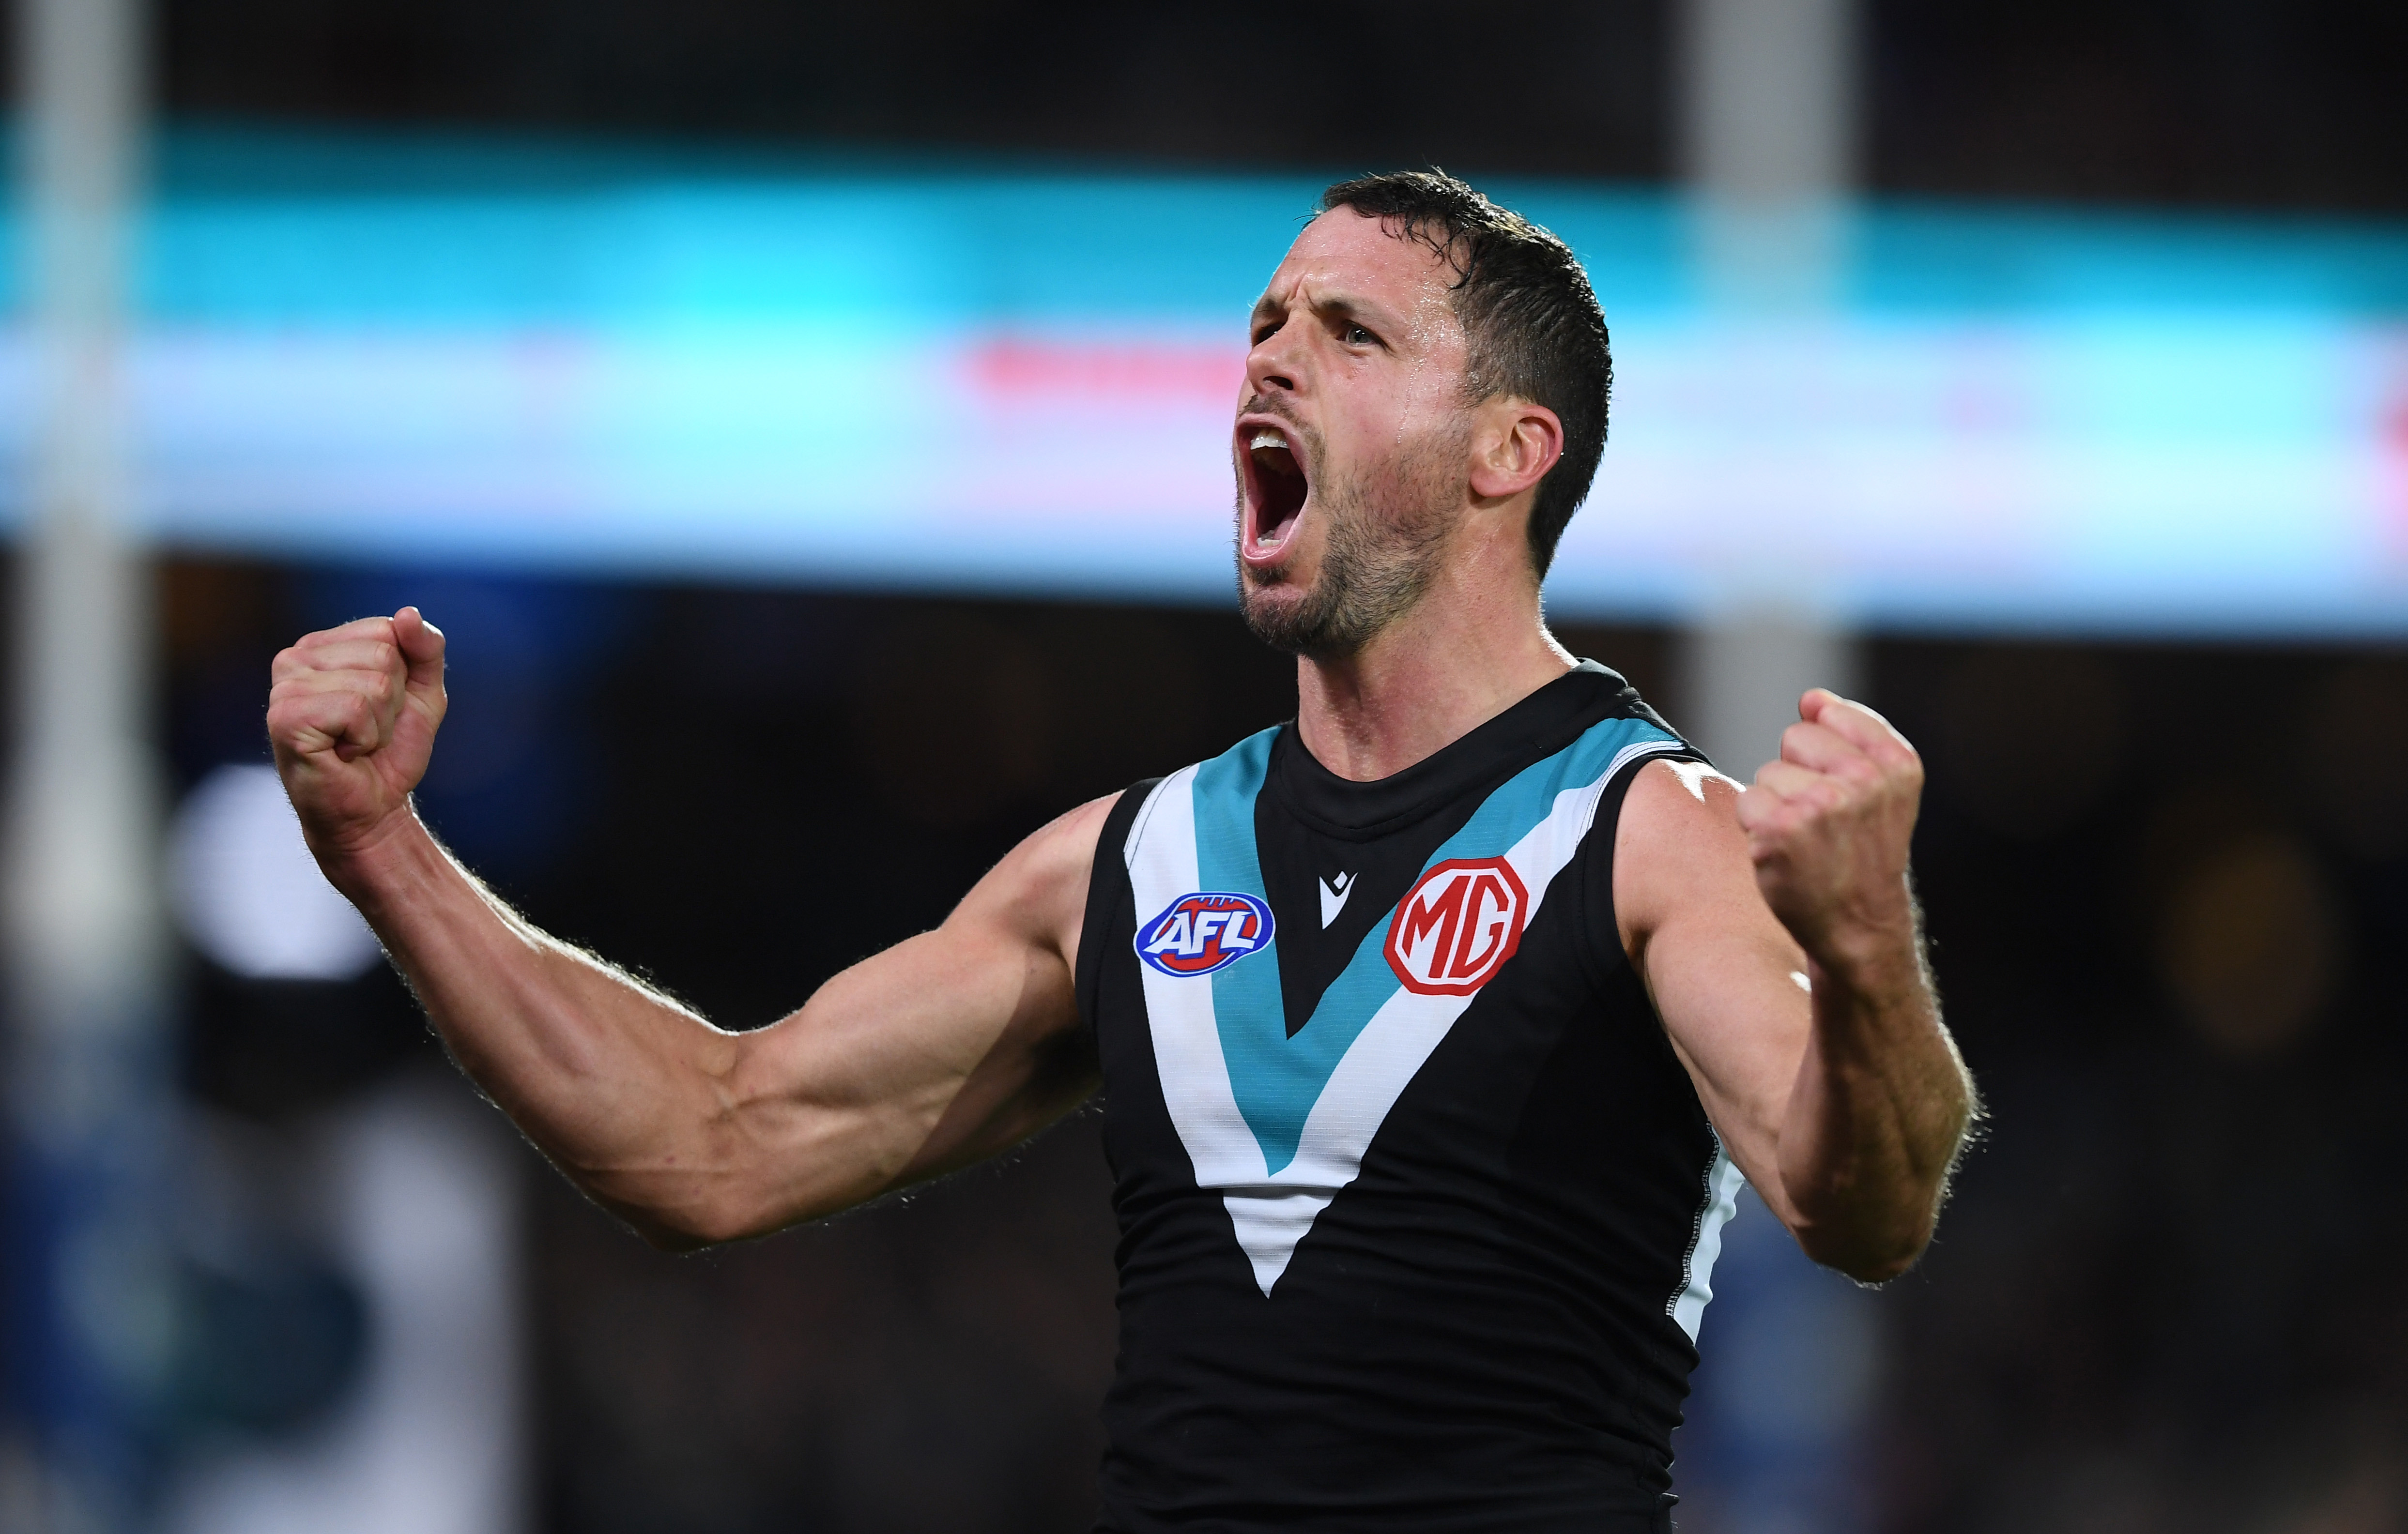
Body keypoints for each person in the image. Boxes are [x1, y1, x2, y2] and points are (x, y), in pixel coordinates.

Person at [269, 170, 1975, 1533]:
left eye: (1352, 332)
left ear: (1506, 453)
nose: (1271, 356)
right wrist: (383, 849)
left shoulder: (1642, 833)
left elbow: (1866, 1202)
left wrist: (1870, 945)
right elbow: (708, 1142)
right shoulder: (1135, 862)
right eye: (1264, 321)